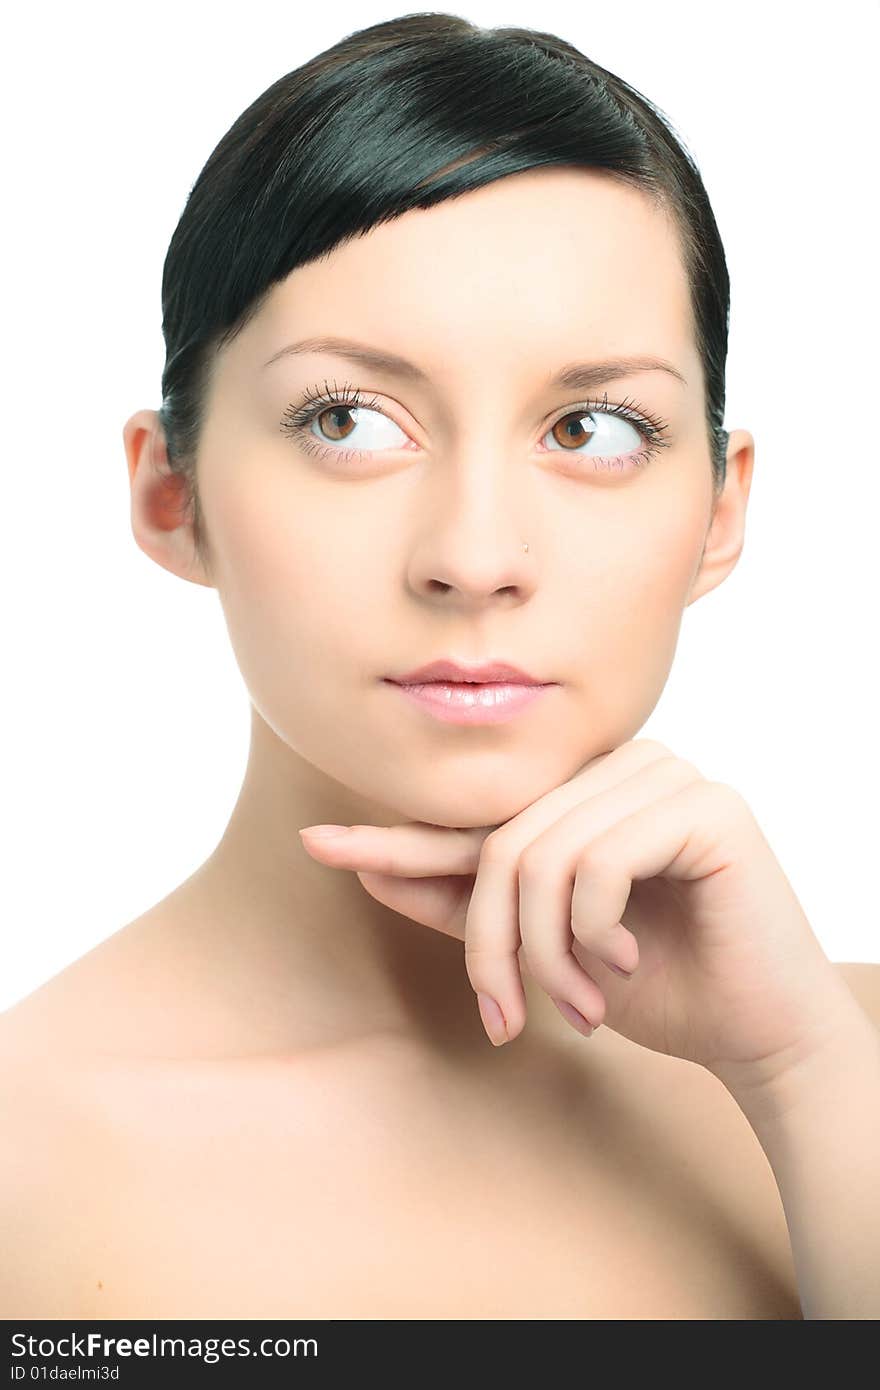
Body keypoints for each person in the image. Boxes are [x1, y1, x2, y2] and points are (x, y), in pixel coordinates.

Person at [1, 13, 878, 1321]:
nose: (475, 555)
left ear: (721, 510)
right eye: (349, 420)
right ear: (171, 491)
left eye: (594, 427)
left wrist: (807, 1077)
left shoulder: (839, 1060)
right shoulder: (27, 1166)